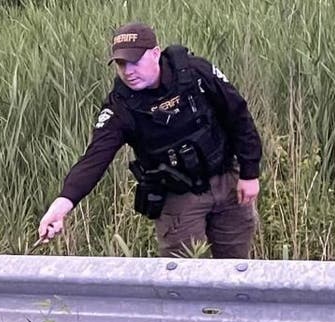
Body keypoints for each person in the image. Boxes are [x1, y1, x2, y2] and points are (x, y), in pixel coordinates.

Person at [37, 22, 263, 258]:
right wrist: (62, 204)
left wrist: (250, 172)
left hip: (228, 181)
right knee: (182, 278)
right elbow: (94, 158)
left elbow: (238, 115)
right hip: (179, 197)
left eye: (134, 61)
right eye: (121, 64)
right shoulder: (120, 107)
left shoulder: (195, 73)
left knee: (236, 270)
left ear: (156, 53)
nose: (128, 71)